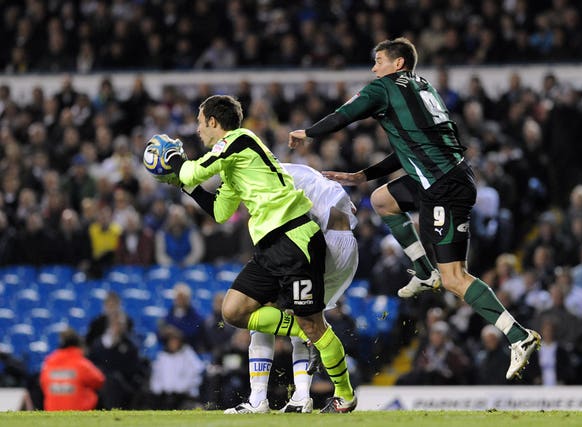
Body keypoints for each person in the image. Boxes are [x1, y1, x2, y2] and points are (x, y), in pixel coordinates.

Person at [288, 37, 540, 380]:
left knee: (455, 278)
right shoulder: (424, 88)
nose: (374, 68)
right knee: (382, 199)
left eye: (379, 61)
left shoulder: (386, 87)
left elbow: (344, 114)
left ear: (398, 64)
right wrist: (365, 175)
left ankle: (518, 335)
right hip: (443, 177)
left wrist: (309, 132)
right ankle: (423, 272)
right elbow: (411, 147)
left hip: (442, 186)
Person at [158, 95, 356, 412]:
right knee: (233, 311)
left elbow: (193, 172)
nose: (196, 130)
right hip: (269, 248)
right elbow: (221, 211)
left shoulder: (240, 140)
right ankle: (302, 340)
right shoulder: (234, 165)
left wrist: (174, 162)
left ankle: (345, 395)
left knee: (313, 325)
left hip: (295, 239)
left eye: (198, 122)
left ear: (212, 122)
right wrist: (184, 185)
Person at [223, 162, 359, 413]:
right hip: (341, 244)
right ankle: (297, 397)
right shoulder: (299, 170)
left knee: (306, 322)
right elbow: (345, 206)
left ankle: (265, 398)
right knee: (291, 315)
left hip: (322, 244)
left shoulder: (267, 176)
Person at [40, 328, 105, 411]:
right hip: (79, 411)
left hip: (52, 411)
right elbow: (100, 380)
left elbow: (43, 384)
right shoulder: (81, 363)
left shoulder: (49, 363)